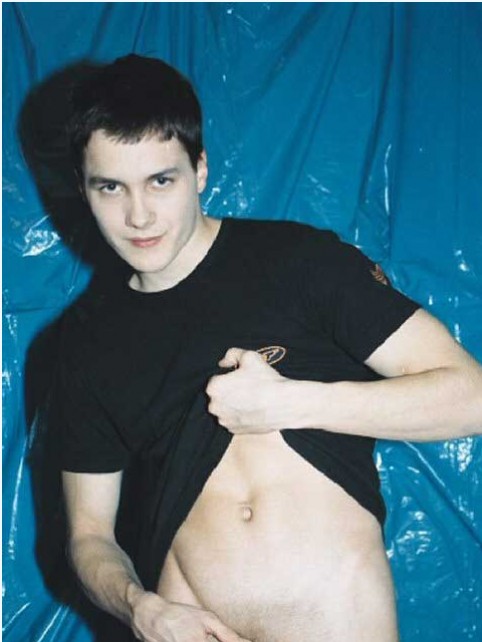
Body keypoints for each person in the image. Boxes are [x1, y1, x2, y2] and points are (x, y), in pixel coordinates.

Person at [56, 54, 482, 642]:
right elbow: (89, 536)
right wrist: (139, 607)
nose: (139, 215)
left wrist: (292, 403)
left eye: (161, 181)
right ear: (84, 189)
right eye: (111, 187)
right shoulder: (86, 343)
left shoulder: (299, 263)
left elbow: (472, 397)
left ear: (200, 169)